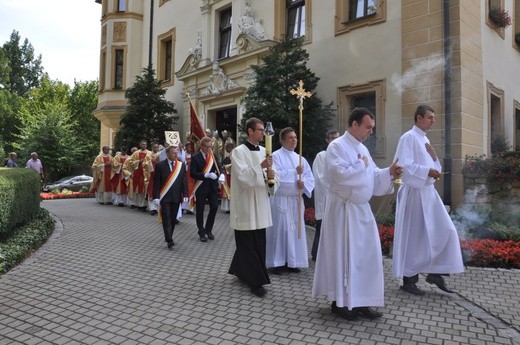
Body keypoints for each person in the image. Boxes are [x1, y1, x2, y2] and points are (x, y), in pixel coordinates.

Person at [311, 108, 403, 320]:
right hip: (344, 210)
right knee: (345, 256)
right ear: (354, 124)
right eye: (368, 126)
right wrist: (360, 165)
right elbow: (338, 176)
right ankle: (341, 303)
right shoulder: (337, 146)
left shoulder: (362, 148)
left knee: (365, 258)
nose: (371, 131)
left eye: (372, 127)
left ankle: (362, 301)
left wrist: (389, 171)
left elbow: (373, 176)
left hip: (361, 211)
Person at [392, 104, 464, 295]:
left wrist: (434, 159)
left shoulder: (425, 139)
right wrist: (427, 171)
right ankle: (409, 280)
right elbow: (403, 165)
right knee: (414, 238)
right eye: (430, 117)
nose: (433, 120)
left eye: (434, 117)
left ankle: (435, 272)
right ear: (419, 118)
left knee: (446, 230)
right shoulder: (408, 137)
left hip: (428, 193)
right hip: (414, 194)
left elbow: (434, 168)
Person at [228, 117, 278, 298]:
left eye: (264, 130)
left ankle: (241, 270)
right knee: (247, 244)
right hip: (245, 204)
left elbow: (272, 178)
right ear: (250, 131)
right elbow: (242, 177)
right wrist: (261, 167)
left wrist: (271, 178)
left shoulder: (266, 151)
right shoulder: (238, 152)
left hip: (261, 203)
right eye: (259, 130)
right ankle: (256, 282)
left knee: (258, 243)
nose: (263, 133)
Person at [266, 127, 315, 274]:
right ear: (282, 140)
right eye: (290, 138)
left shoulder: (300, 159)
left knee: (295, 232)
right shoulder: (276, 156)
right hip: (281, 200)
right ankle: (277, 262)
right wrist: (294, 172)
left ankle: (292, 261)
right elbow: (275, 176)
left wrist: (303, 184)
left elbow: (309, 177)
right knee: (280, 230)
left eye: (295, 137)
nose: (294, 140)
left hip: (296, 200)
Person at [311, 129, 340, 261]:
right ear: (327, 140)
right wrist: (335, 188)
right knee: (322, 226)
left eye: (337, 138)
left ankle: (331, 254)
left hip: (337, 198)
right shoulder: (321, 156)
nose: (334, 140)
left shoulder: (340, 155)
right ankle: (316, 253)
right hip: (325, 197)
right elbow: (320, 178)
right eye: (332, 138)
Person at [152, 145, 189, 249]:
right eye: (173, 153)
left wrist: (185, 194)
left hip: (176, 197)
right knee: (166, 218)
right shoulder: (160, 165)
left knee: (173, 219)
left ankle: (169, 236)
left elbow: (184, 181)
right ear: (168, 154)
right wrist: (156, 197)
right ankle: (169, 239)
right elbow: (156, 183)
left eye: (176, 153)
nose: (175, 155)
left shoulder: (180, 165)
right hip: (165, 197)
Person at [190, 136, 222, 242]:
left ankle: (208, 229)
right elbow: (193, 173)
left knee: (214, 207)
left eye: (210, 147)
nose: (209, 149)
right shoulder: (196, 157)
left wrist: (221, 175)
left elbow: (219, 167)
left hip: (212, 187)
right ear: (202, 146)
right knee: (200, 210)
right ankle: (201, 231)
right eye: (207, 147)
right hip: (201, 187)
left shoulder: (213, 156)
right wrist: (205, 175)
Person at [124, 140, 151, 211]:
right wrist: (139, 161)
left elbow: (151, 162)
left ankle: (144, 205)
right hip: (138, 173)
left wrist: (145, 163)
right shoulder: (136, 153)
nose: (144, 146)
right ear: (140, 145)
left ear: (146, 145)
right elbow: (131, 162)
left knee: (145, 189)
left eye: (145, 144)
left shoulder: (149, 153)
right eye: (142, 144)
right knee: (138, 190)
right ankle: (139, 204)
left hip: (146, 174)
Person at [145, 142, 161, 215]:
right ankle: (152, 208)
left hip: (159, 176)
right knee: (151, 191)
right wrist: (151, 161)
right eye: (154, 147)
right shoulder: (148, 155)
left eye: (157, 147)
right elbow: (145, 164)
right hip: (151, 175)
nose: (156, 148)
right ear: (152, 148)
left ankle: (158, 208)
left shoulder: (161, 154)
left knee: (158, 191)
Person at [219, 142, 234, 213]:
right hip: (226, 175)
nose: (226, 149)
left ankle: (231, 208)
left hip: (231, 175)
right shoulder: (227, 155)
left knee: (231, 191)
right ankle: (227, 208)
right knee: (226, 191)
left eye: (227, 147)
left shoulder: (233, 155)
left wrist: (226, 166)